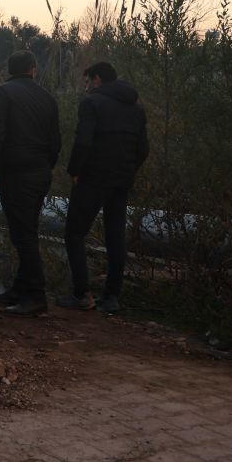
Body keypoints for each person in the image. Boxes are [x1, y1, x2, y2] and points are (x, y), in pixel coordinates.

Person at [57, 61, 149, 314]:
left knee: (74, 233)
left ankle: (81, 294)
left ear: (97, 79)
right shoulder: (136, 109)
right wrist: (128, 170)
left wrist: (75, 171)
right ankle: (111, 298)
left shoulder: (92, 104)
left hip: (93, 178)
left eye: (87, 82)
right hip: (121, 181)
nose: (86, 87)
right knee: (115, 236)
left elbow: (83, 141)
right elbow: (143, 150)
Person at [0, 50, 61, 317]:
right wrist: (45, 165)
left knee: (23, 235)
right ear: (33, 69)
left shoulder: (2, 94)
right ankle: (20, 289)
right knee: (27, 231)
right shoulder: (47, 98)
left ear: (8, 70)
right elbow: (55, 141)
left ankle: (35, 296)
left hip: (17, 174)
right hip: (39, 174)